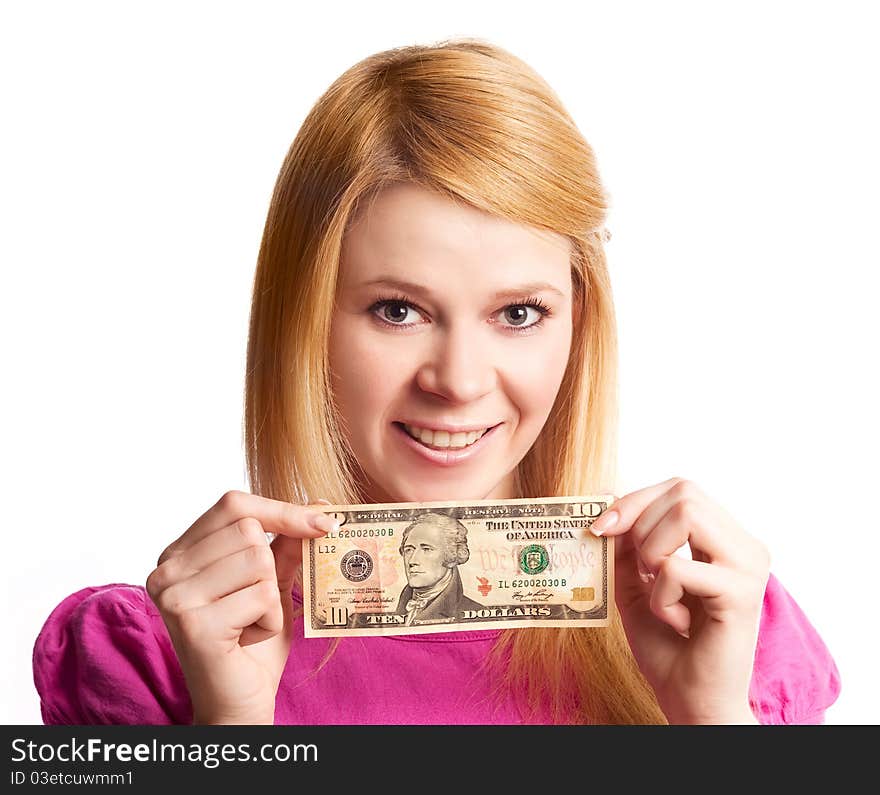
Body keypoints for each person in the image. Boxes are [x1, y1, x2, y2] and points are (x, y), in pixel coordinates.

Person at [32, 38, 840, 725]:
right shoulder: (159, 656)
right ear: (304, 316)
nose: (457, 382)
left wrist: (712, 727)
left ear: (578, 324)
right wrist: (234, 737)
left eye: (519, 313)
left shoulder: (720, 624)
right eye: (396, 310)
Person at [394, 512, 483, 626]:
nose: (412, 561)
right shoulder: (399, 608)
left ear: (451, 555)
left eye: (426, 549)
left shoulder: (475, 613)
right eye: (409, 550)